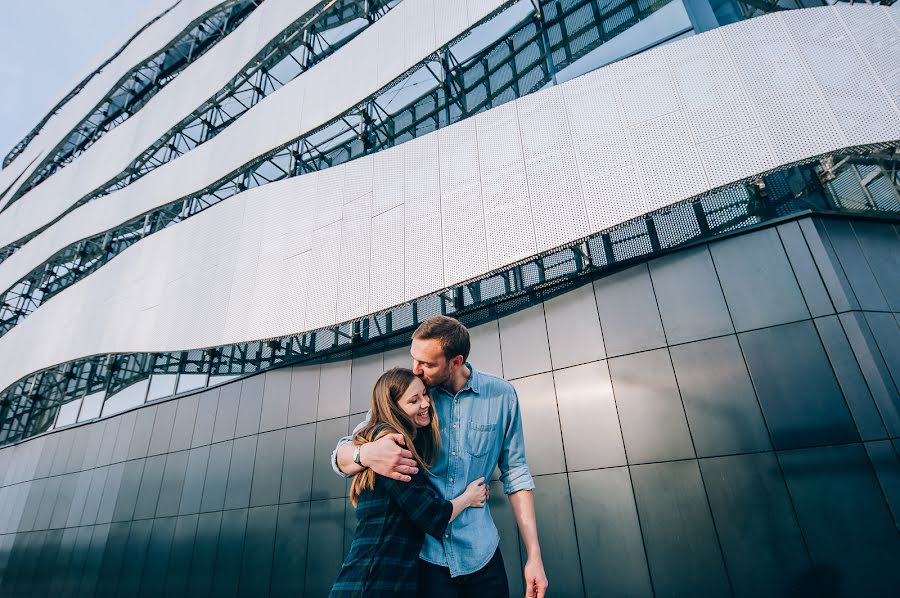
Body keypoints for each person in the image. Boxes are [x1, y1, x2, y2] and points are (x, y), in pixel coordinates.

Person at [332, 316, 549, 598]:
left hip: (481, 554)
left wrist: (534, 556)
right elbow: (342, 454)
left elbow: (516, 473)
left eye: (427, 364)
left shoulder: (502, 396)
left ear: (455, 362)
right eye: (414, 359)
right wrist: (367, 453)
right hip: (424, 559)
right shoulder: (410, 394)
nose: (416, 370)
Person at [330, 368, 489, 597]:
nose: (425, 403)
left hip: (379, 578)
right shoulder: (391, 446)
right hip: (375, 583)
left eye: (425, 394)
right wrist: (469, 497)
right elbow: (432, 514)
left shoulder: (394, 442)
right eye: (414, 400)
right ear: (394, 408)